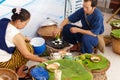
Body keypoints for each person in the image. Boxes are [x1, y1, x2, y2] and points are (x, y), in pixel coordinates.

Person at [0, 8, 47, 78]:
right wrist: (42, 60)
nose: (25, 25)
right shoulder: (15, 35)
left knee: (24, 44)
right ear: (18, 21)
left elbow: (14, 36)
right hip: (3, 63)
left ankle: (18, 66)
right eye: (25, 23)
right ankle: (19, 72)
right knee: (29, 48)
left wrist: (24, 38)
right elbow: (27, 55)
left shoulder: (4, 21)